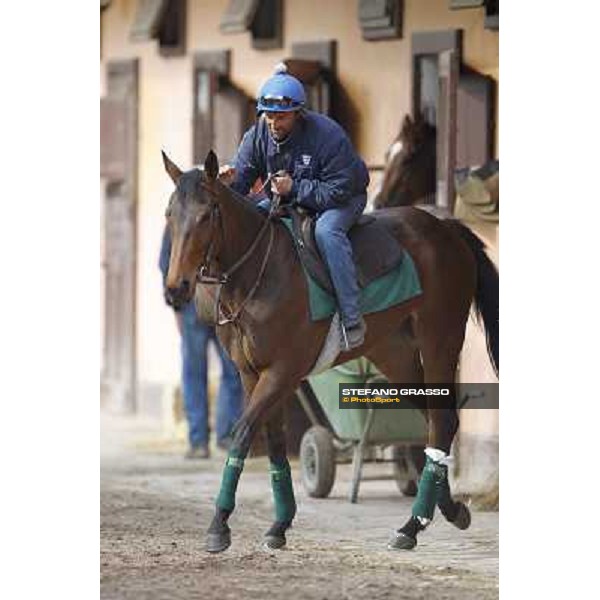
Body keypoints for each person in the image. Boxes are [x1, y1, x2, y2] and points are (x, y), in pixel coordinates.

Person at [222, 63, 370, 350]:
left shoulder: (328, 135)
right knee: (253, 221)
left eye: (282, 117)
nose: (274, 124)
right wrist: (228, 184)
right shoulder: (257, 136)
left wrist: (296, 188)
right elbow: (241, 187)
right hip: (290, 199)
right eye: (269, 116)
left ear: (298, 113)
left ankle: (352, 318)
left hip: (343, 199)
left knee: (327, 232)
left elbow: (339, 190)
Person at [159, 227, 244, 459]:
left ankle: (200, 442)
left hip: (203, 304)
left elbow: (166, 261)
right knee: (229, 370)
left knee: (199, 372)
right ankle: (223, 436)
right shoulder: (213, 211)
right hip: (213, 302)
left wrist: (175, 306)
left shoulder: (180, 216)